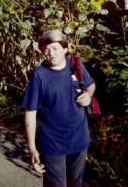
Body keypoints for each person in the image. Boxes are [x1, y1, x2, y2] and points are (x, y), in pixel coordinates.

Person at [22, 29, 96, 187]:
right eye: (46, 50)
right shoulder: (39, 76)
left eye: (55, 48)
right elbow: (30, 114)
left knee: (76, 183)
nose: (51, 53)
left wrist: (88, 95)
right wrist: (32, 148)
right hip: (52, 143)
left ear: (65, 48)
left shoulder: (75, 65)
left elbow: (91, 85)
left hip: (79, 139)